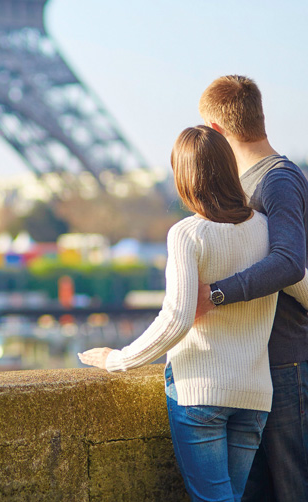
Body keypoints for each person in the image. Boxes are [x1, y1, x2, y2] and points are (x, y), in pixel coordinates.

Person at [78, 125, 308, 502]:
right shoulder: (267, 229)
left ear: (185, 179)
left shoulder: (187, 234)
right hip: (253, 396)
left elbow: (177, 319)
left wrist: (117, 360)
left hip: (201, 391)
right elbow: (299, 282)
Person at [195, 74, 308, 502]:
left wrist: (215, 293)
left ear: (220, 131)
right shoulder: (254, 181)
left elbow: (288, 262)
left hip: (286, 361)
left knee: (292, 487)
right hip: (259, 363)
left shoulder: (277, 180)